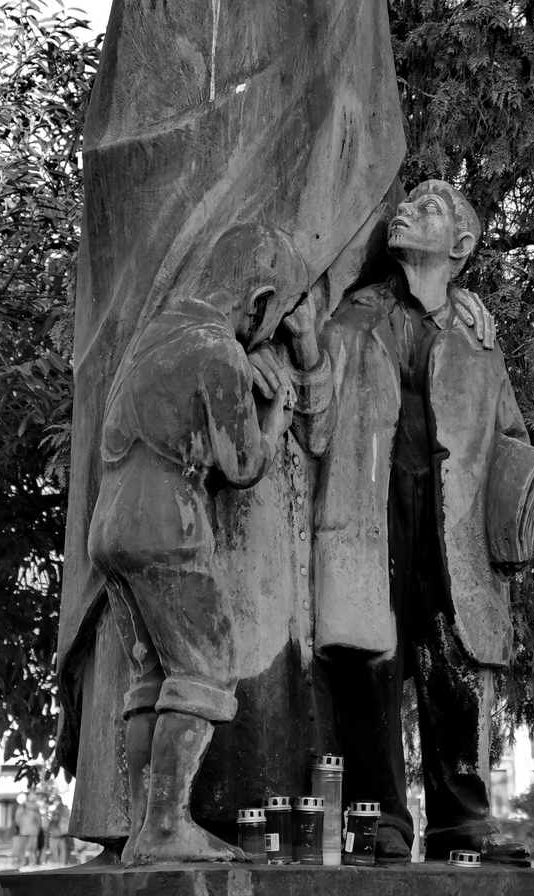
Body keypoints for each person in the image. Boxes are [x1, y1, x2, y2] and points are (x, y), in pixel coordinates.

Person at [56, 0, 407, 842]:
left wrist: (321, 273)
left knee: (285, 597)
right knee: (194, 639)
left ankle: (270, 810)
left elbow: (363, 133)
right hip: (195, 288)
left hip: (299, 290)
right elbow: (129, 141)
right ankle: (161, 817)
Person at [314, 181, 534, 865]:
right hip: (369, 510)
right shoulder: (353, 315)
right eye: (407, 203)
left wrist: (518, 508)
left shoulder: (476, 337)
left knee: (452, 664)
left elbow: (507, 431)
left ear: (460, 245)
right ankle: (377, 819)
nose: (406, 211)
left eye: (428, 208)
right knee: (370, 661)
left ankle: (460, 823)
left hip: (454, 526)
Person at [88, 223, 311, 864]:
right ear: (260, 296)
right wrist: (276, 418)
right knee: (204, 668)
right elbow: (241, 465)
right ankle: (165, 826)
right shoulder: (219, 351)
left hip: (112, 524)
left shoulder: (155, 335)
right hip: (166, 522)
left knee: (151, 675)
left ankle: (140, 830)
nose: (270, 331)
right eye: (277, 314)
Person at [14, 796, 42, 866]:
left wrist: (20, 826)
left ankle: (22, 861)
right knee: (32, 849)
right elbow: (39, 821)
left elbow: (17, 819)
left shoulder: (22, 807)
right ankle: (32, 862)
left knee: (22, 848)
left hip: (23, 830)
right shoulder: (36, 809)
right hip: (34, 831)